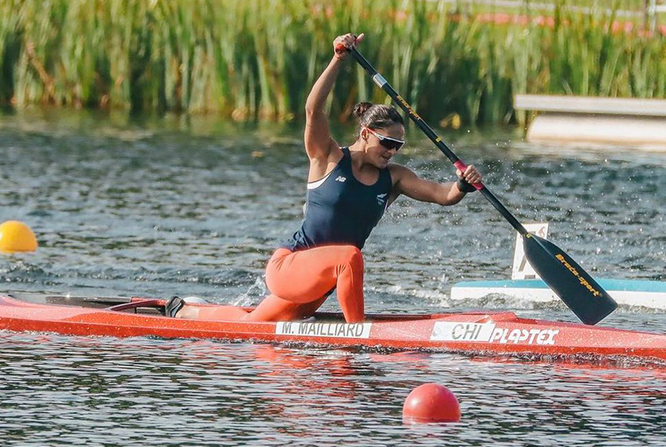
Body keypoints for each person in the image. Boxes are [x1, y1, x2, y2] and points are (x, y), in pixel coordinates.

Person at [167, 33, 482, 322]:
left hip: (323, 282)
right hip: (290, 266)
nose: (392, 152)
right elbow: (313, 110)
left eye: (398, 146)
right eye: (387, 143)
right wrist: (338, 60)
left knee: (254, 325)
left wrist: (463, 184)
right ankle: (357, 335)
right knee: (349, 256)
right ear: (365, 134)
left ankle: (185, 311)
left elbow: (444, 195)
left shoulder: (395, 178)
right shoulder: (327, 156)